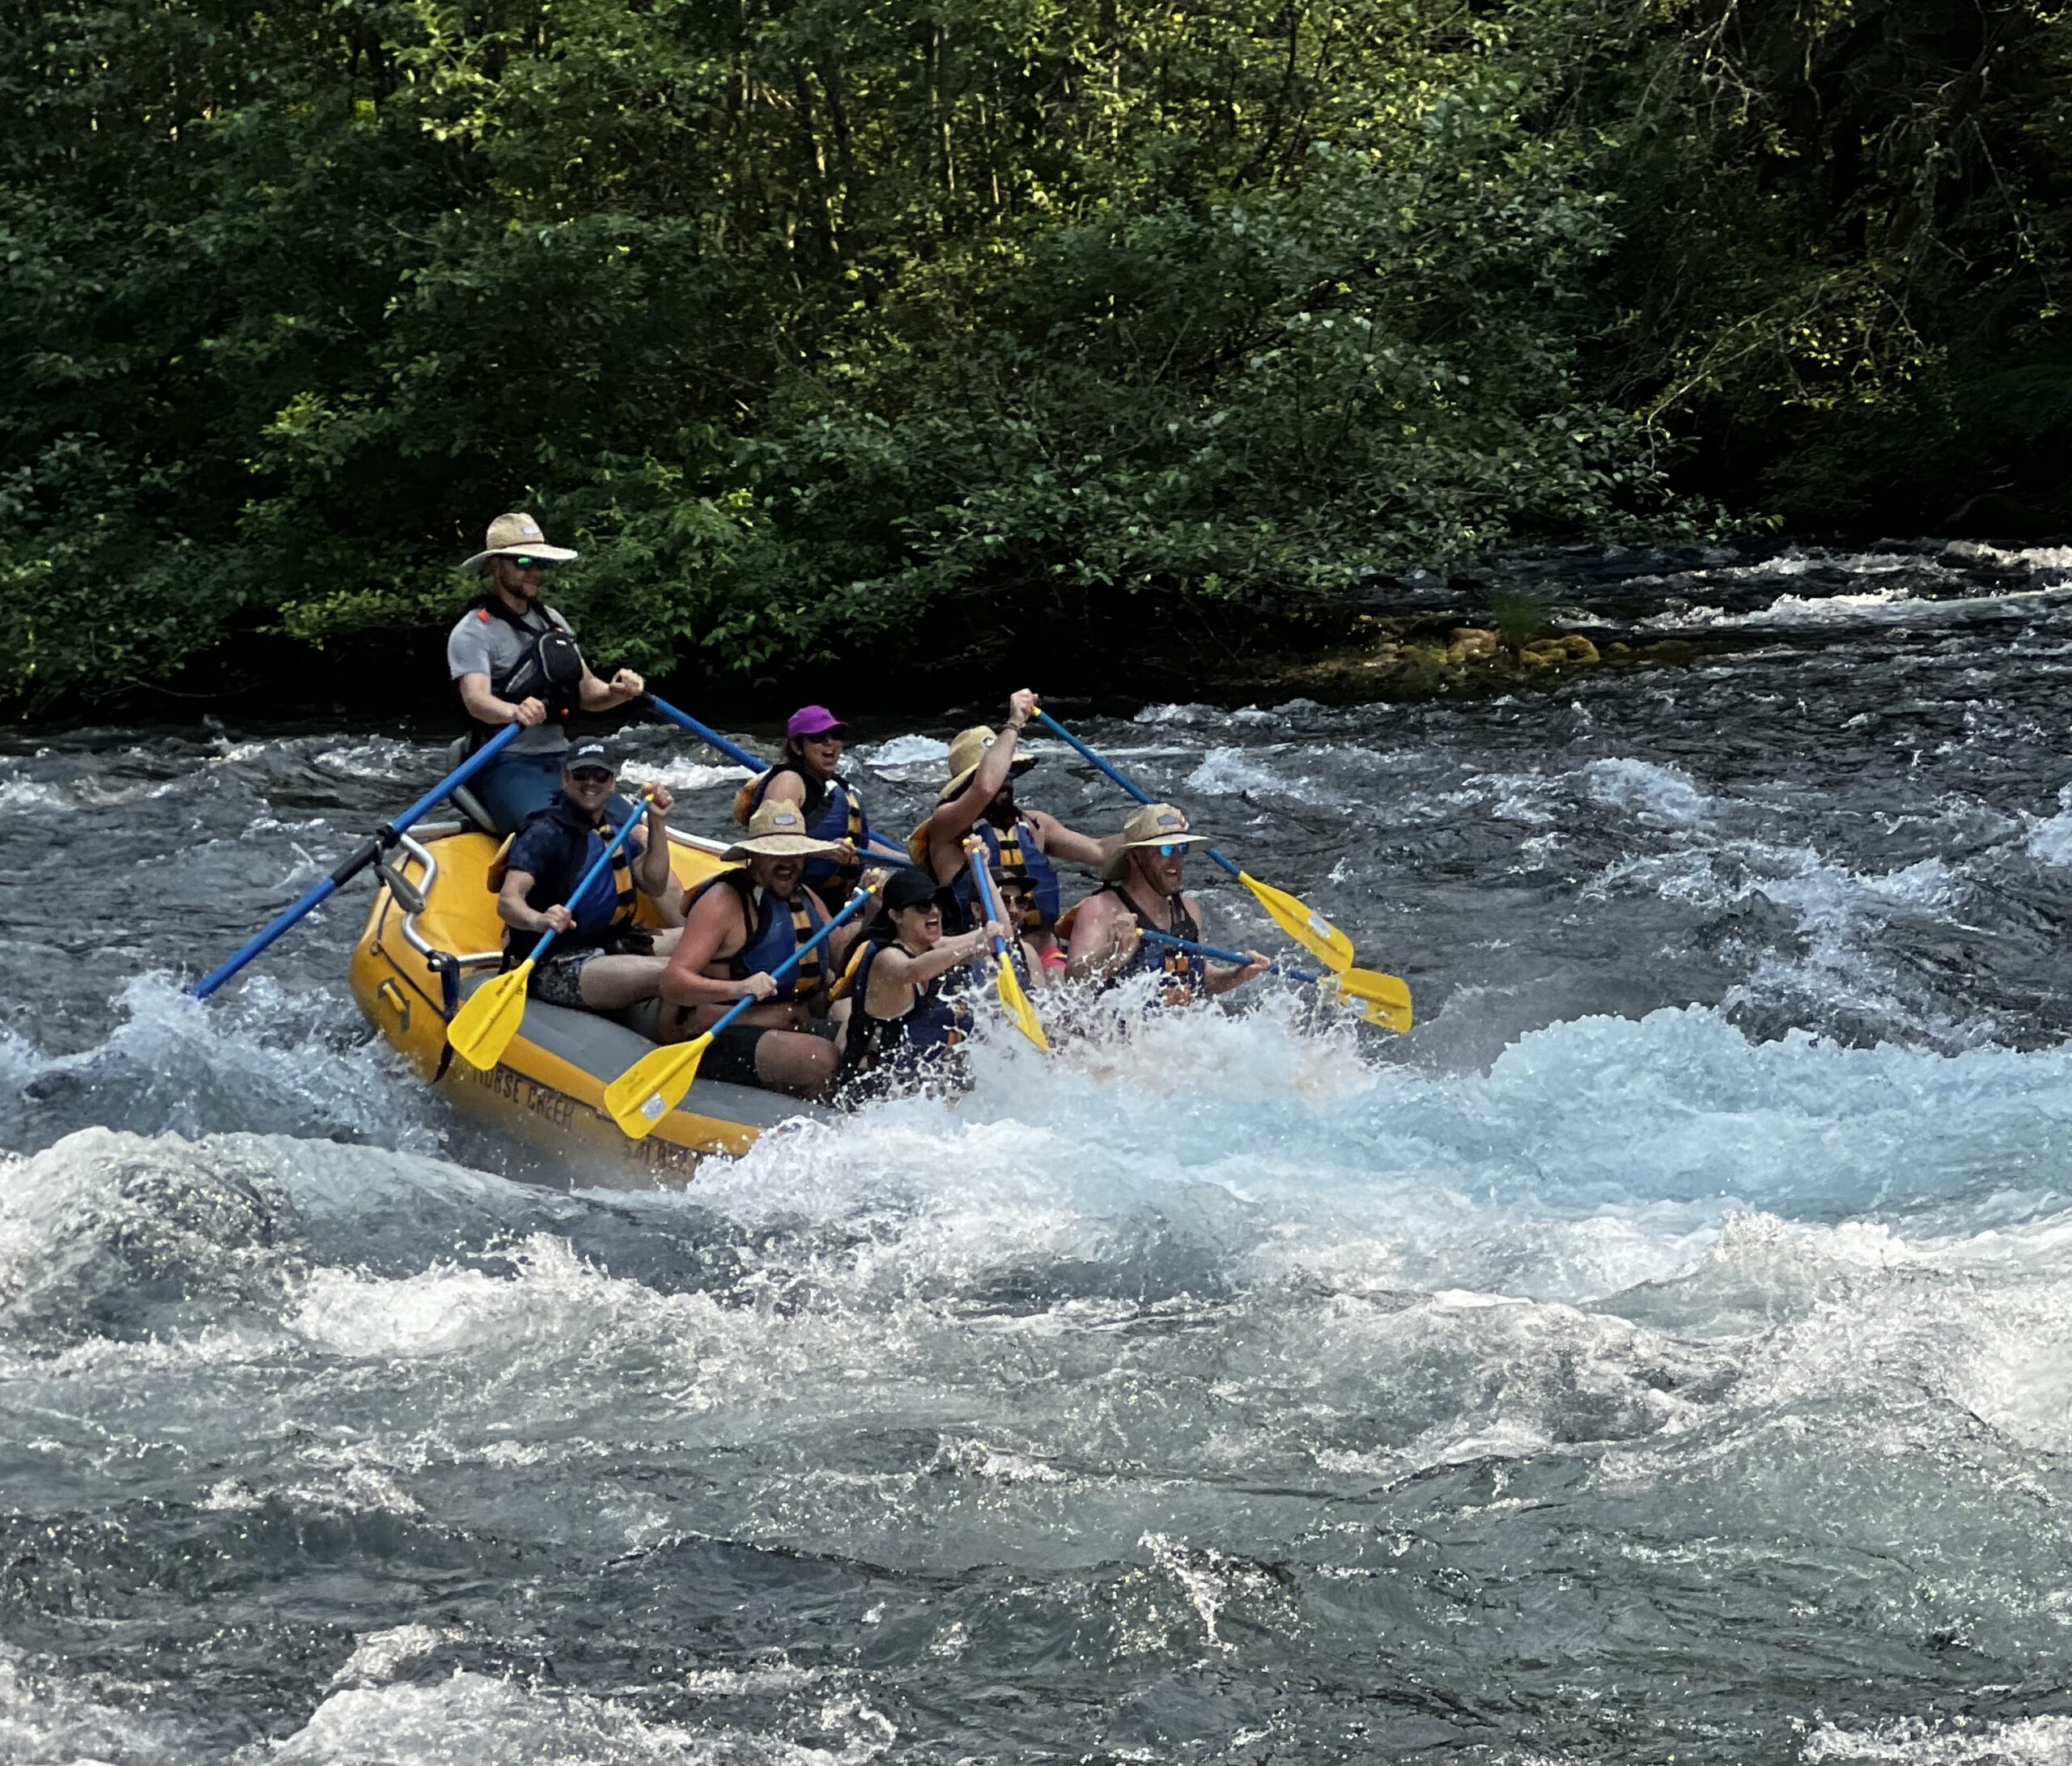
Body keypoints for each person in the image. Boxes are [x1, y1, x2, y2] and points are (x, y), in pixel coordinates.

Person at [446, 511, 648, 834]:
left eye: (541, 564)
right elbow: (476, 700)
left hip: (562, 759)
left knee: (636, 831)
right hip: (505, 762)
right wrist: (515, 710)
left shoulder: (552, 620)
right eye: (525, 563)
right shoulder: (472, 631)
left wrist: (617, 692)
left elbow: (589, 694)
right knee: (553, 834)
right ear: (496, 566)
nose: (536, 573)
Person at [654, 800, 852, 1097]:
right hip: (711, 1034)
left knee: (865, 1039)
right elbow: (673, 982)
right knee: (820, 1060)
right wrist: (741, 988)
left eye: (795, 854)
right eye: (775, 855)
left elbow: (840, 950)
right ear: (754, 856)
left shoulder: (804, 895)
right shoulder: (724, 901)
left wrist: (878, 914)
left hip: (791, 1024)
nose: (787, 863)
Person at [493, 742, 681, 1012]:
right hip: (554, 961)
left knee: (705, 943)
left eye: (600, 775)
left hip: (611, 942)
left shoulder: (618, 826)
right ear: (565, 780)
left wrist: (657, 822)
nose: (590, 783)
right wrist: (539, 920)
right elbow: (508, 901)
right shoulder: (543, 832)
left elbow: (654, 884)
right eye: (581, 774)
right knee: (672, 970)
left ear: (613, 782)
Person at [915, 688, 1117, 933]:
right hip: (982, 955)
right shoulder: (948, 826)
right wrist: (1014, 724)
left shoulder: (1036, 824)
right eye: (1001, 771)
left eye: (1010, 772)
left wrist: (1156, 831)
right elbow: (986, 787)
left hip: (1042, 953)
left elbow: (1102, 852)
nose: (1006, 781)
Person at [1064, 803, 1271, 1004]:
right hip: (1120, 1033)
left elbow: (1201, 981)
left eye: (1180, 848)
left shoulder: (1189, 909)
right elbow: (1074, 979)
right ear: (1135, 856)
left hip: (1174, 1031)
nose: (1175, 860)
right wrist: (1114, 951)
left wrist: (1238, 975)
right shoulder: (1101, 908)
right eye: (1164, 850)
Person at [839, 867, 1000, 1097]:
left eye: (937, 903)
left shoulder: (936, 947)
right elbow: (915, 970)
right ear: (896, 916)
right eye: (922, 906)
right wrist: (977, 941)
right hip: (873, 1099)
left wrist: (981, 869)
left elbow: (1003, 936)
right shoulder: (886, 959)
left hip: (920, 1097)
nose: (934, 911)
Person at [732, 706, 873, 913]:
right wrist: (825, 850)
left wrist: (908, 859)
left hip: (829, 901)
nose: (829, 743)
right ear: (797, 747)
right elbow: (773, 844)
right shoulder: (789, 781)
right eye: (817, 737)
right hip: (791, 900)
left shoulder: (835, 787)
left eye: (836, 735)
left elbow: (858, 841)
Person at [996, 868, 1067, 986]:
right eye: (1004, 901)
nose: (1014, 909)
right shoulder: (964, 953)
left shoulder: (1030, 952)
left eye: (1021, 901)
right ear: (977, 909)